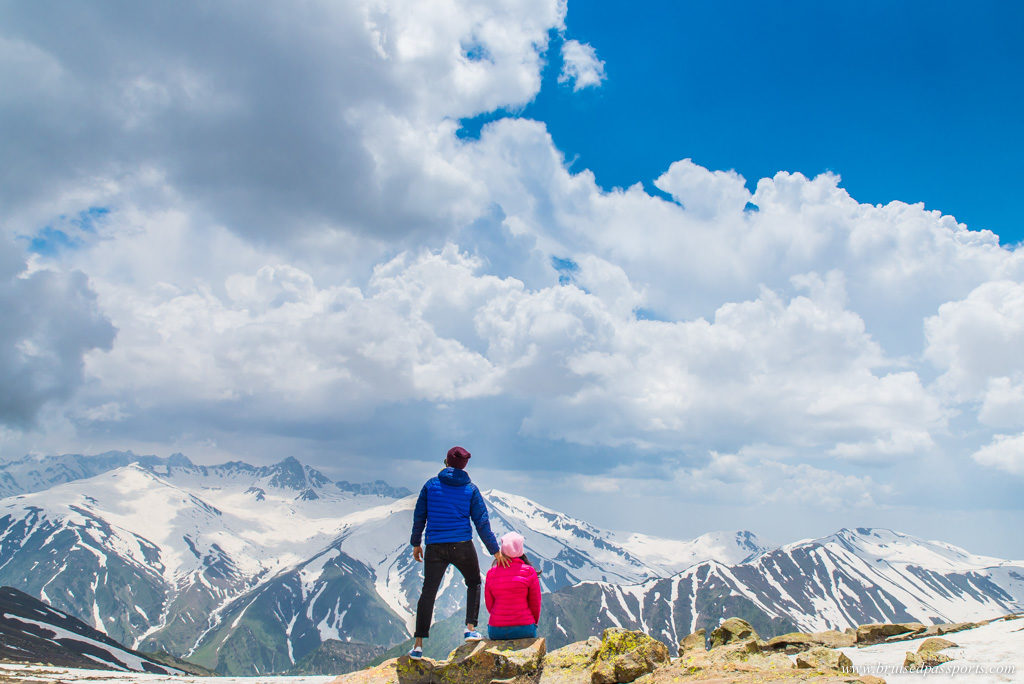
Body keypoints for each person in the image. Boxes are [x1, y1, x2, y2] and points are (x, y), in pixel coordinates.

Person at [408, 446, 508, 660]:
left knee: (428, 592)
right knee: (473, 582)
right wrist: (495, 550)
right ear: (464, 465)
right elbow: (481, 522)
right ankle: (470, 628)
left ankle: (418, 645)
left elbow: (420, 516)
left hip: (435, 546)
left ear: (446, 461)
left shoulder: (431, 485)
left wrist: (416, 542)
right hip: (462, 544)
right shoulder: (471, 489)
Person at [484, 531, 541, 640]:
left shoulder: (491, 574)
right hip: (525, 628)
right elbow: (535, 603)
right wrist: (532, 623)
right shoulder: (529, 572)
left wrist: (500, 618)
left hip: (496, 630)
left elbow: (489, 604)